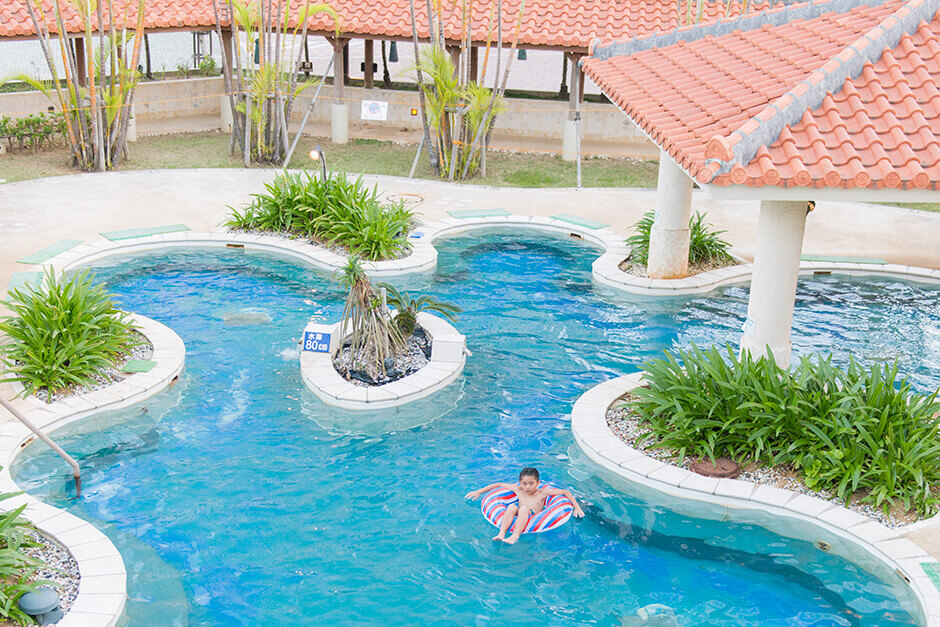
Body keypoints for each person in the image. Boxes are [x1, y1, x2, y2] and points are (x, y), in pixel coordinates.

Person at [465, 467, 585, 544]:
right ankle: (501, 533)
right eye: (524, 483)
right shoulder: (518, 489)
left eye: (531, 483)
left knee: (523, 508)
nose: (527, 487)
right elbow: (498, 484)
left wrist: (577, 507)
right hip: (519, 511)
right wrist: (479, 492)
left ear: (538, 483)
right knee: (512, 506)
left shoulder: (543, 492)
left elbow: (565, 492)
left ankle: (515, 536)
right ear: (520, 483)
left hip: (532, 515)